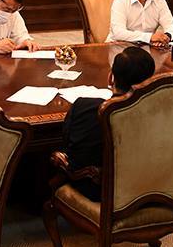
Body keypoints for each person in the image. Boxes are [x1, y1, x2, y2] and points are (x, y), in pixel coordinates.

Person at [61, 46, 156, 201]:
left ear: (111, 77)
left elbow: (66, 144)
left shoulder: (84, 107)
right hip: (147, 188)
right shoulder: (159, 112)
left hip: (98, 191)